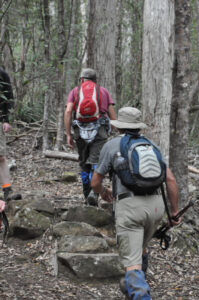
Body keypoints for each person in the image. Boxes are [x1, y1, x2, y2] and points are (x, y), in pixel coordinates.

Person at [91, 107, 180, 300]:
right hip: (156, 207)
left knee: (132, 264)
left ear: (119, 127)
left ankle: (139, 292)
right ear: (139, 126)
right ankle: (133, 288)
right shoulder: (151, 145)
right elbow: (171, 180)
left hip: (130, 208)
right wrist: (174, 212)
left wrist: (104, 193)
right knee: (141, 249)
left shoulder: (112, 145)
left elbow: (95, 182)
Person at [64, 68, 116, 206]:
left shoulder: (75, 91)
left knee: (83, 163)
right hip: (99, 130)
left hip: (79, 131)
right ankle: (95, 192)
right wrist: (115, 131)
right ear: (95, 80)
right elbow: (112, 115)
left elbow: (68, 111)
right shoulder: (103, 91)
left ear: (82, 79)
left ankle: (87, 193)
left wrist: (68, 134)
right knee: (96, 162)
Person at [0, 66, 18, 201]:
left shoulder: (2, 74)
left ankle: (7, 189)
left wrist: (6, 120)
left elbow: (9, 98)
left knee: (0, 157)